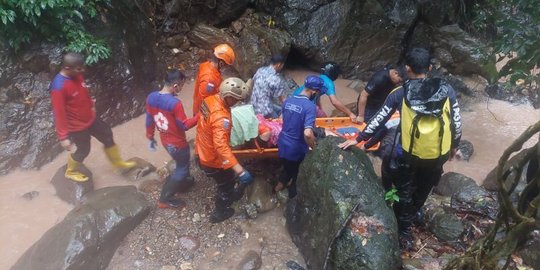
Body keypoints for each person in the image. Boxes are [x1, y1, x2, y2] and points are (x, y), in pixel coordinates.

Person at [338, 48, 463, 250]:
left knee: (404, 189)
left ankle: (403, 231)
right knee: (423, 188)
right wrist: (454, 147)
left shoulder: (400, 92)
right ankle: (413, 214)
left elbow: (380, 118)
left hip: (409, 153)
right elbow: (456, 121)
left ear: (407, 68)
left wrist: (359, 139)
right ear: (429, 68)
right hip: (437, 154)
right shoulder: (446, 90)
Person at [49, 52, 136, 182]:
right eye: (79, 68)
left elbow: (83, 91)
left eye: (82, 67)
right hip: (76, 126)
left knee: (107, 134)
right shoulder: (58, 87)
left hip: (90, 117)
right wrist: (63, 137)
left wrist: (91, 105)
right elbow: (59, 113)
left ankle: (118, 164)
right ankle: (71, 171)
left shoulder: (76, 74)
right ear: (67, 68)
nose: (82, 70)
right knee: (84, 149)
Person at [195, 77, 254, 223]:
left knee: (227, 175)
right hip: (212, 159)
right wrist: (240, 170)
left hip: (201, 148)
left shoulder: (210, 99)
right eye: (236, 100)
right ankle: (219, 212)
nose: (238, 103)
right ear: (228, 97)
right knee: (226, 184)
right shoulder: (221, 118)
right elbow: (221, 147)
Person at [145, 69, 199, 209]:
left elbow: (150, 119)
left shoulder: (151, 97)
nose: (181, 88)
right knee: (182, 167)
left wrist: (150, 136)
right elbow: (184, 125)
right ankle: (164, 198)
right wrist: (201, 116)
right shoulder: (175, 103)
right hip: (178, 144)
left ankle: (182, 184)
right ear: (176, 85)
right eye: (181, 86)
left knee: (182, 164)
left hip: (165, 141)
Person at [275, 75, 321, 198]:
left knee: (288, 167)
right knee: (297, 174)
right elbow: (307, 133)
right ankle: (292, 199)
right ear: (314, 91)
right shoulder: (310, 106)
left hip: (282, 143)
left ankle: (279, 185)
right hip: (295, 148)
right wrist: (314, 147)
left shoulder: (288, 101)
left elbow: (283, 120)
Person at [293, 62, 357, 122]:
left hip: (294, 98)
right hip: (305, 102)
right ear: (334, 73)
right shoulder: (329, 83)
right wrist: (350, 113)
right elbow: (334, 102)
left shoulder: (319, 77)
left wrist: (320, 108)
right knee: (325, 120)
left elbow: (316, 95)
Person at [192, 43, 235, 116]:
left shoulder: (207, 65)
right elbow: (204, 102)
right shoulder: (209, 80)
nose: (226, 68)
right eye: (226, 66)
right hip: (204, 112)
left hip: (202, 106)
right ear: (221, 63)